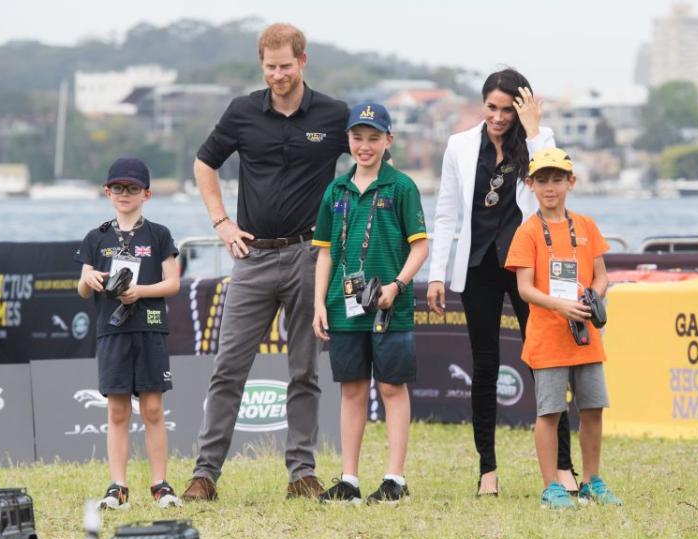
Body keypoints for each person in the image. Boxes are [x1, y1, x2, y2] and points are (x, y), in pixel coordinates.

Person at [182, 23, 351, 501]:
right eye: (270, 66)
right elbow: (204, 163)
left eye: (286, 66)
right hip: (251, 259)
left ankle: (302, 472)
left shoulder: (334, 114)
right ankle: (205, 475)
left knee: (304, 371)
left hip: (308, 256)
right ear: (262, 64)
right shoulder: (241, 112)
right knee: (228, 368)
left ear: (303, 60)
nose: (278, 75)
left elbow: (370, 156)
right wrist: (221, 223)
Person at [426, 68, 577, 497]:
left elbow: (551, 183)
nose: (497, 117)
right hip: (477, 266)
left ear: (521, 108)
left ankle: (564, 467)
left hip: (527, 265)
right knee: (485, 365)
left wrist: (531, 130)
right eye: (491, 107)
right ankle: (487, 470)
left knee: (545, 365)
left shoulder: (537, 140)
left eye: (507, 109)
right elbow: (445, 213)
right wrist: (436, 273)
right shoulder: (459, 145)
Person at [312, 103, 429, 504]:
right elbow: (325, 253)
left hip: (388, 303)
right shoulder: (336, 190)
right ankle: (349, 479)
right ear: (348, 141)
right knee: (352, 389)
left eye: (374, 138)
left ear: (388, 141)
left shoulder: (401, 187)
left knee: (393, 387)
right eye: (358, 137)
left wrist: (397, 284)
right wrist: (319, 304)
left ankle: (395, 478)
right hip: (344, 304)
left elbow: (421, 247)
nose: (365, 146)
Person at [504, 147, 622, 509]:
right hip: (548, 334)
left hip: (584, 334)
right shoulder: (527, 232)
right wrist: (560, 305)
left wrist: (592, 298)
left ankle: (592, 480)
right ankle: (551, 486)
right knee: (550, 412)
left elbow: (601, 277)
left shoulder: (585, 225)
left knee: (593, 408)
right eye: (542, 180)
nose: (550, 187)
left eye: (557, 179)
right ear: (530, 185)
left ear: (571, 182)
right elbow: (524, 288)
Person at [75, 157, 182, 510]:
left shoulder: (160, 234)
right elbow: (83, 288)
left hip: (149, 327)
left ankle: (160, 485)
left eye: (132, 188)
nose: (125, 194)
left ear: (146, 194)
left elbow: (173, 283)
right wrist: (88, 280)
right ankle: (118, 487)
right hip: (112, 330)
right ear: (107, 192)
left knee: (152, 408)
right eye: (118, 188)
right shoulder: (96, 237)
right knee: (117, 410)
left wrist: (139, 291)